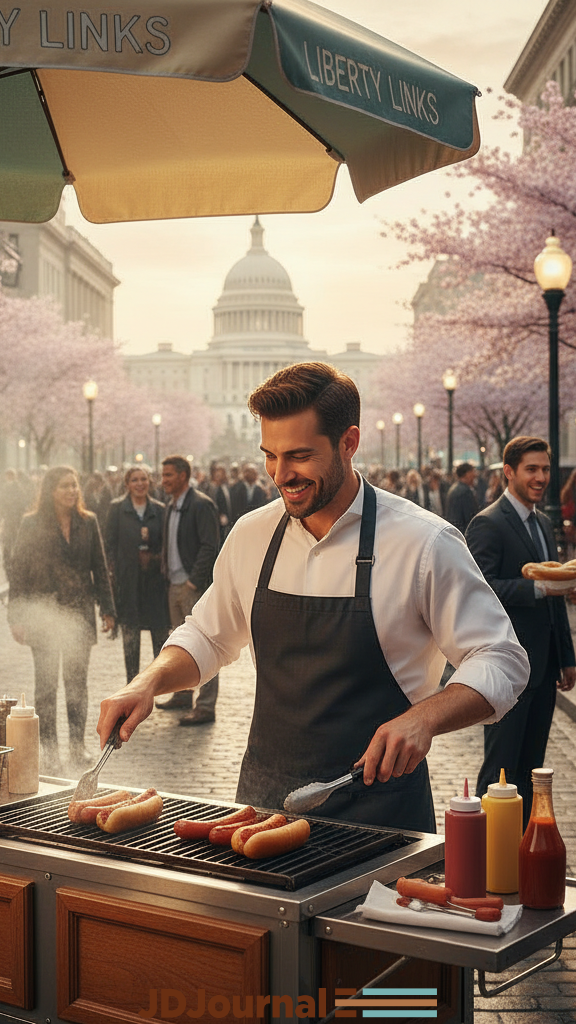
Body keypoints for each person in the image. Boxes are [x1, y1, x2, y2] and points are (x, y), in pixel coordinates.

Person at [96, 364, 529, 831]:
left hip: (383, 816)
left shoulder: (424, 542)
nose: (280, 475)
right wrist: (148, 682)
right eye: (270, 456)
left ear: (349, 442)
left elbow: (501, 658)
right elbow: (208, 635)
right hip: (262, 809)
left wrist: (424, 719)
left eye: (299, 456)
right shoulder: (252, 534)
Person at [466, 436, 576, 829]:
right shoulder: (487, 522)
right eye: (532, 469)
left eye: (545, 469)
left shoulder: (544, 523)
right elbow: (479, 587)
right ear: (509, 472)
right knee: (499, 769)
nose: (541, 477)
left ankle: (521, 855)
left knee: (532, 771)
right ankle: (481, 852)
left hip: (545, 669)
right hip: (507, 669)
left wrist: (567, 658)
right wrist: (536, 588)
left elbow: (556, 596)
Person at [8, 466, 116, 773]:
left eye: (75, 485)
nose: (72, 491)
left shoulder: (88, 521)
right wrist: (17, 616)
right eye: (65, 486)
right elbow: (18, 572)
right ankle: (49, 750)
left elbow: (100, 567)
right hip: (43, 616)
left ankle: (77, 745)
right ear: (51, 490)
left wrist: (107, 609)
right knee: (45, 687)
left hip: (79, 617)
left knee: (76, 685)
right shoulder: (31, 525)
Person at [155, 455, 221, 725]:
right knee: (181, 644)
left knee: (206, 645)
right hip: (174, 585)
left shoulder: (201, 505)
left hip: (193, 588)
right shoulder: (171, 506)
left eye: (168, 475)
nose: (164, 481)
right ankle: (182, 696)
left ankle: (205, 706)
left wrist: (193, 581)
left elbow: (209, 545)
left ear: (183, 475)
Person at [105, 465, 170, 684]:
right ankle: (131, 685)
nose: (139, 484)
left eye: (143, 479)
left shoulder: (160, 510)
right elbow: (109, 545)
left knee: (159, 638)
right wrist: (113, 572)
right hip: (128, 582)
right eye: (134, 480)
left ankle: (155, 685)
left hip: (154, 583)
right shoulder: (117, 509)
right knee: (130, 639)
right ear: (127, 484)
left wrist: (154, 558)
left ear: (150, 482)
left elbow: (167, 546)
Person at [445, 462, 479, 534]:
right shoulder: (465, 492)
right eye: (473, 472)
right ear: (467, 474)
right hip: (463, 533)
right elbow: (470, 517)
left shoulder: (454, 488)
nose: (475, 475)